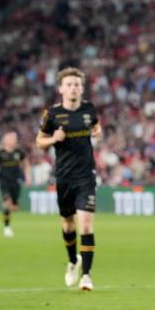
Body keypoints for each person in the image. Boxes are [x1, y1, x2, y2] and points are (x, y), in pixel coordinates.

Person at [36, 67, 103, 291]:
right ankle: (73, 261)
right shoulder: (52, 115)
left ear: (82, 88)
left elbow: (96, 125)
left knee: (85, 224)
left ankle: (86, 276)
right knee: (67, 223)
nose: (74, 87)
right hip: (64, 176)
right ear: (61, 89)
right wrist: (53, 138)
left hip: (86, 175)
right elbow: (39, 141)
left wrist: (98, 132)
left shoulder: (89, 109)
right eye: (70, 84)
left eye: (77, 84)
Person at [0, 132, 31, 237]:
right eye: (12, 139)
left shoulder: (19, 151)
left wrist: (28, 177)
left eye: (15, 139)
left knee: (14, 207)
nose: (14, 141)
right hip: (3, 181)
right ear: (6, 140)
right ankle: (7, 227)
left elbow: (26, 164)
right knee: (7, 202)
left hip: (16, 181)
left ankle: (8, 212)